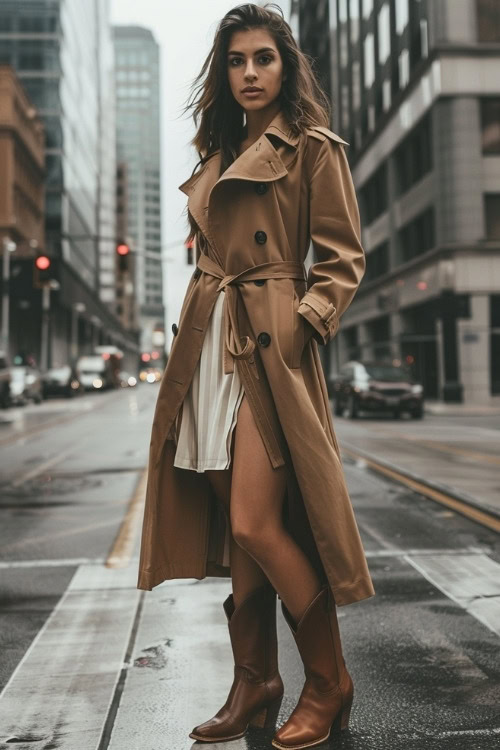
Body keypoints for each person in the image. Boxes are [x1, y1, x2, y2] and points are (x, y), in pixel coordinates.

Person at [136, 4, 375, 748]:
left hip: (269, 343)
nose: (249, 73)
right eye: (236, 60)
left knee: (255, 521)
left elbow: (342, 260)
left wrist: (303, 322)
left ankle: (329, 681)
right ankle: (255, 681)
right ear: (223, 71)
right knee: (236, 527)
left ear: (286, 65)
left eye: (263, 59)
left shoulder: (312, 148)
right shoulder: (217, 152)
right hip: (209, 341)